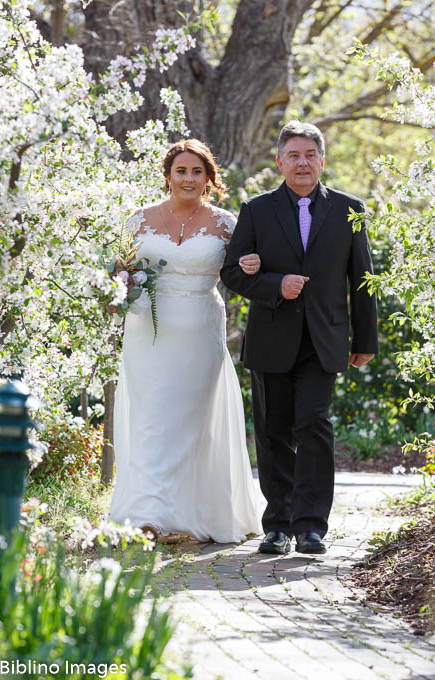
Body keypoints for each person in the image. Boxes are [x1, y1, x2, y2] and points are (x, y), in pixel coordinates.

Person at [220, 120, 378, 555]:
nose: (302, 163)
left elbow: (363, 278)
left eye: (310, 155)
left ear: (322, 161)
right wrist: (274, 286)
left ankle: (310, 526)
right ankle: (277, 525)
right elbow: (232, 272)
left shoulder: (350, 209)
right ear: (279, 162)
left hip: (324, 340)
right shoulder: (256, 210)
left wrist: (365, 341)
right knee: (272, 432)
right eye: (294, 155)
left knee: (313, 424)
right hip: (272, 338)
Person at [109, 139, 262, 543]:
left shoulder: (227, 224)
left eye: (197, 171)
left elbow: (243, 274)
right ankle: (148, 514)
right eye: (182, 171)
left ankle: (188, 515)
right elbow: (119, 273)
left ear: (209, 178)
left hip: (200, 329)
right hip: (147, 333)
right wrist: (117, 289)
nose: (189, 178)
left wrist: (251, 263)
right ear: (168, 176)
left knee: (190, 419)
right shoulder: (137, 220)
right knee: (151, 419)